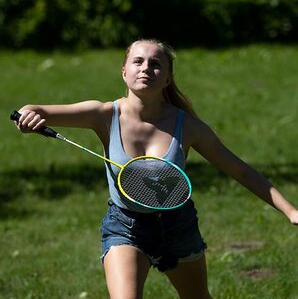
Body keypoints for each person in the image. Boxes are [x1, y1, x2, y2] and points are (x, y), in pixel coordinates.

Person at [15, 38, 298, 299]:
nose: (146, 68)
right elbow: (35, 109)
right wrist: (28, 117)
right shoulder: (103, 114)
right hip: (126, 226)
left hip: (178, 225)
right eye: (137, 61)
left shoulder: (187, 126)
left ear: (167, 78)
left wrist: (291, 211)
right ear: (124, 71)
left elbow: (241, 171)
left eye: (155, 64)